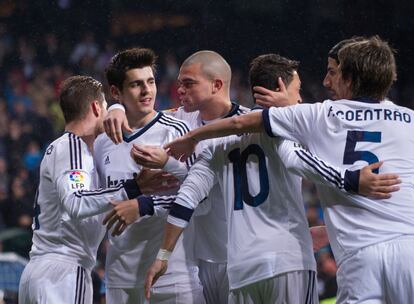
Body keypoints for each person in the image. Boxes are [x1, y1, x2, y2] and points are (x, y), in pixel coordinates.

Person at [164, 36, 413, 303]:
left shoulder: (319, 115)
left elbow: (239, 126)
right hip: (402, 246)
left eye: (332, 73)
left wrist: (193, 137)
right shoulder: (409, 118)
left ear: (350, 78)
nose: (327, 83)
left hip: (337, 259)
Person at [106, 50, 250, 304]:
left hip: (238, 253)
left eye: (188, 83)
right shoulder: (182, 117)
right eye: (179, 83)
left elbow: (201, 196)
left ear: (216, 85)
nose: (179, 90)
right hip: (198, 255)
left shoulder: (250, 125)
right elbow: (142, 115)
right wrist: (115, 107)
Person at [18, 76, 146, 304]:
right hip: (62, 273)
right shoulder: (73, 146)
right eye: (106, 106)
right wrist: (133, 188)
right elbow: (76, 201)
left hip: (43, 271)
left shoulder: (69, 148)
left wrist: (117, 106)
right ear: (96, 107)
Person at [94, 47, 204, 304]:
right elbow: (100, 203)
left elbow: (200, 195)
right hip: (121, 277)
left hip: (173, 274)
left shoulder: (178, 131)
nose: (147, 91)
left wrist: (143, 205)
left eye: (150, 82)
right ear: (116, 93)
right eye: (136, 84)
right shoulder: (103, 143)